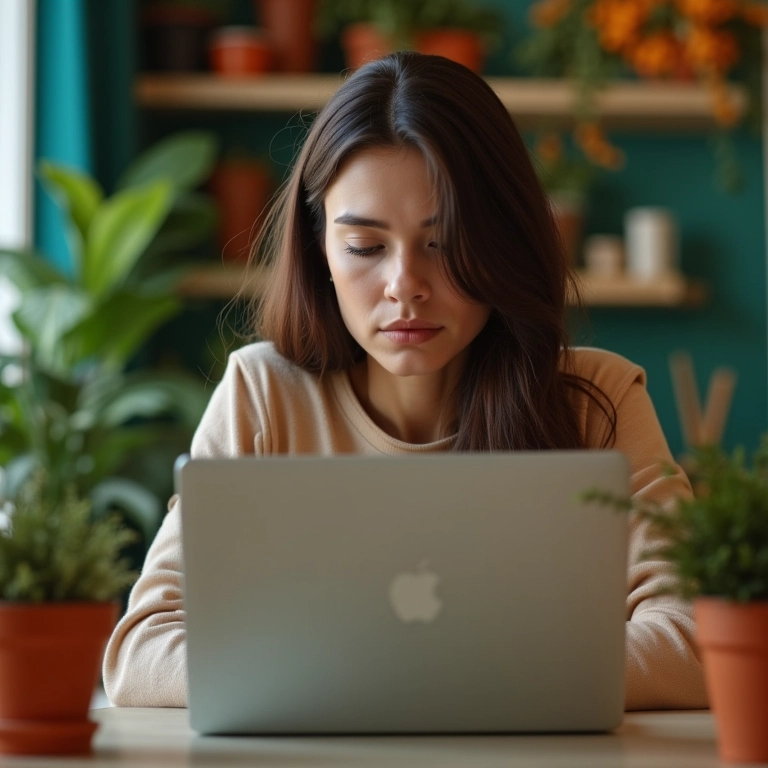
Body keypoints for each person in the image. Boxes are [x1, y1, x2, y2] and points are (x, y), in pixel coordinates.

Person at [103, 52, 708, 711]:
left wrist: (397, 676)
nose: (404, 287)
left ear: (503, 242)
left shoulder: (599, 401)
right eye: (365, 247)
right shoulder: (263, 396)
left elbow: (698, 640)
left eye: (442, 243)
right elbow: (140, 654)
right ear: (320, 250)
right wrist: (431, 675)